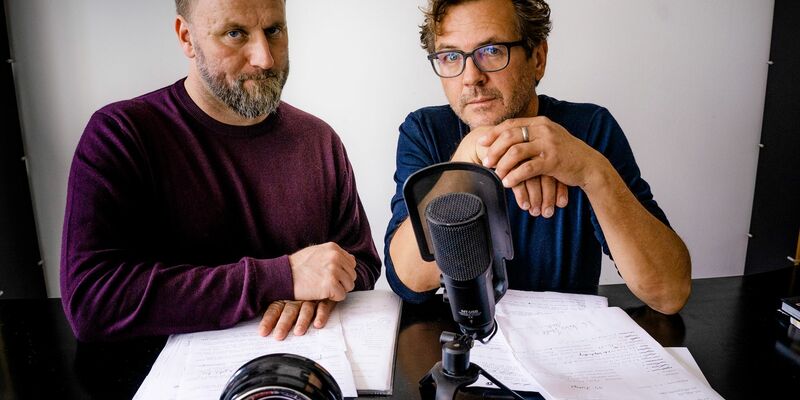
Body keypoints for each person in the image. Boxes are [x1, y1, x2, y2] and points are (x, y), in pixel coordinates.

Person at [60, 0, 381, 342]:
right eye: (235, 33)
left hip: (305, 368)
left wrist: (324, 284)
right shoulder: (120, 134)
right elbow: (92, 301)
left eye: (273, 30)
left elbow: (361, 262)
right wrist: (281, 277)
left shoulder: (318, 140)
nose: (265, 58)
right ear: (186, 37)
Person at [385, 0, 691, 314]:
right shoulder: (424, 130)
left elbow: (669, 293)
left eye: (491, 50)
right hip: (464, 344)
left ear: (538, 59)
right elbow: (409, 280)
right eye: (451, 56)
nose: (471, 77)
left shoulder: (589, 129)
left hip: (571, 345)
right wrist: (467, 158)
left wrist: (590, 171)